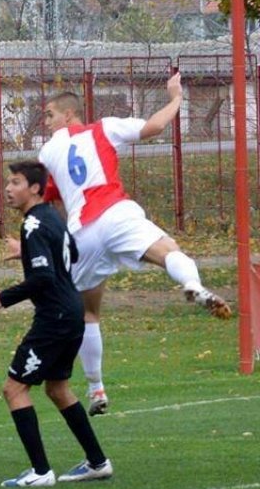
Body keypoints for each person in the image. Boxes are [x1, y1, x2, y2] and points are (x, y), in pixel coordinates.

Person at [38, 72, 232, 416]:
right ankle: (192, 284)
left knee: (88, 313)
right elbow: (155, 126)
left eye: (49, 114)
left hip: (82, 231)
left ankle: (96, 389)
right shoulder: (106, 128)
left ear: (68, 115)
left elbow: (50, 200)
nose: (46, 121)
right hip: (116, 213)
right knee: (170, 251)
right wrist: (175, 98)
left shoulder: (47, 151)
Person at [0, 160, 113, 488]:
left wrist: (3, 297)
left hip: (54, 319)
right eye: (8, 183)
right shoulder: (52, 218)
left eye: (15, 183)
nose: (9, 189)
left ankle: (40, 471)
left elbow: (42, 277)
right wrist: (25, 253)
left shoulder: (33, 225)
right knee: (57, 389)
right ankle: (98, 462)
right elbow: (71, 253)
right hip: (72, 313)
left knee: (13, 388)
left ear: (35, 189)